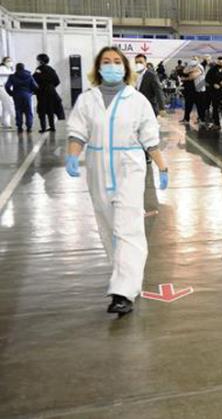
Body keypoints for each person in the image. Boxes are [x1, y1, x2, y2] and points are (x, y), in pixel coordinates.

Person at [65, 46, 169, 316]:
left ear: (124, 67)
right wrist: (73, 156)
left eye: (116, 62)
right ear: (98, 67)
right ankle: (125, 277)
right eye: (106, 61)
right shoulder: (87, 100)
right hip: (98, 167)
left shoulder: (137, 100)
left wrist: (162, 167)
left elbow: (150, 137)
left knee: (128, 227)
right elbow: (77, 132)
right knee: (108, 226)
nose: (111, 65)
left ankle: (123, 291)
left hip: (129, 167)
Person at [33, 53, 64, 133]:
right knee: (50, 110)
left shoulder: (39, 69)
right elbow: (57, 81)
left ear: (40, 61)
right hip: (51, 92)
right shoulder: (51, 69)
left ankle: (43, 128)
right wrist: (51, 87)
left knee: (42, 110)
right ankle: (52, 127)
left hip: (42, 92)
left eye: (38, 60)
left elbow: (34, 80)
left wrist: (37, 88)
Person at [5, 63, 38, 133]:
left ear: (16, 68)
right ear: (24, 68)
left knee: (18, 111)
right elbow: (35, 86)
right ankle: (29, 127)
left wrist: (11, 93)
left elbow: (7, 86)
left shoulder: (12, 76)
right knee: (28, 111)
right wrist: (31, 93)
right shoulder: (29, 76)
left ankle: (19, 127)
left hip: (17, 95)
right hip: (27, 95)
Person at [205, 56, 222, 131]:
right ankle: (217, 124)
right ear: (217, 62)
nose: (220, 64)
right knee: (215, 108)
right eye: (219, 62)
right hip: (215, 92)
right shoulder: (212, 70)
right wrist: (213, 84)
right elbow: (207, 79)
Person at [181, 57, 207, 126]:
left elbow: (192, 76)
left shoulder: (200, 67)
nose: (193, 60)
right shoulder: (191, 66)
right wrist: (192, 69)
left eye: (195, 59)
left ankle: (202, 120)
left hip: (199, 89)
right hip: (192, 89)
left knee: (200, 106)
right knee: (188, 105)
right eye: (193, 59)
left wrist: (185, 78)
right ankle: (186, 119)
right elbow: (185, 71)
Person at [0, 56, 15, 129]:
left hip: (6, 88)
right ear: (4, 62)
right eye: (8, 61)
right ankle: (16, 119)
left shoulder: (9, 69)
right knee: (9, 104)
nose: (10, 62)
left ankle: (6, 122)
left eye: (10, 61)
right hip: (1, 87)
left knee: (5, 106)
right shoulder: (2, 68)